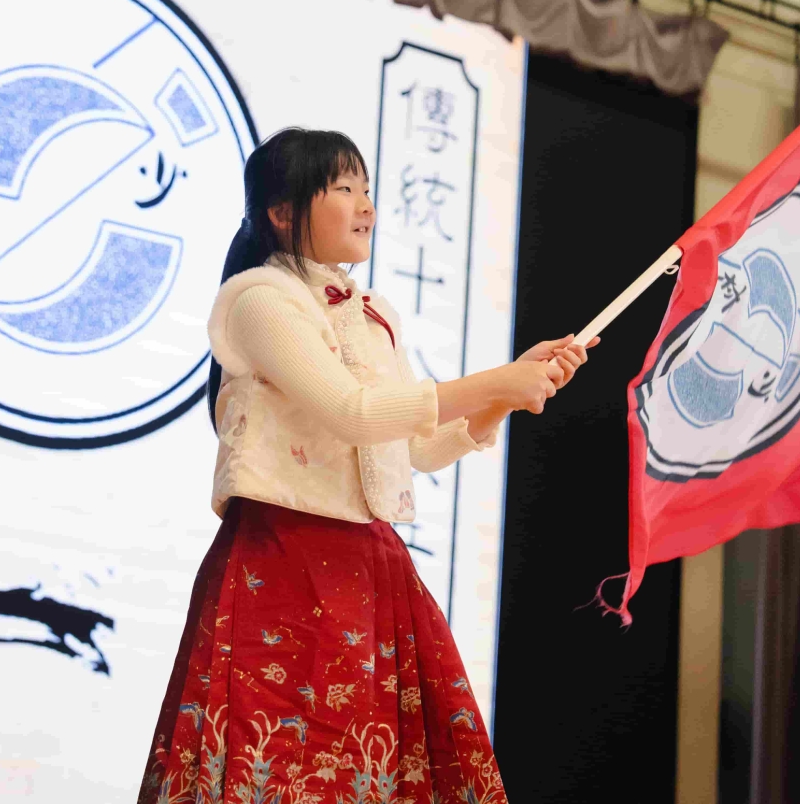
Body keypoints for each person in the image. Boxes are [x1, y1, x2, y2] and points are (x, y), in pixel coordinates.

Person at [136, 128, 596, 804]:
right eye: (344, 188)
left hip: (369, 569)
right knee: (274, 770)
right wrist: (496, 380)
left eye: (367, 189)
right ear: (282, 212)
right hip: (280, 564)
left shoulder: (373, 312)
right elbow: (354, 413)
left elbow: (415, 447)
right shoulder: (261, 300)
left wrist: (504, 396)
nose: (367, 207)